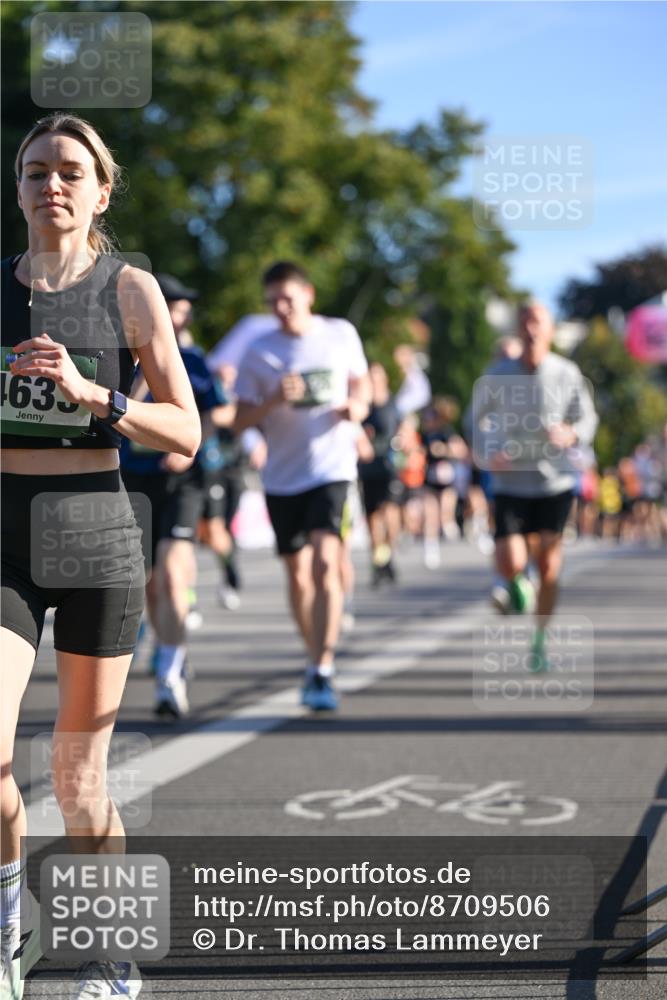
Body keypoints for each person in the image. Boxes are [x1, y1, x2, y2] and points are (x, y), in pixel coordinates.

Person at [0, 114, 201, 1000]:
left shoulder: (131, 289)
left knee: (76, 777)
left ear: (100, 191)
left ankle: (112, 953)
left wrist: (93, 393)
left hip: (94, 535)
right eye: (36, 170)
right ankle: (11, 910)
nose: (54, 184)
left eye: (71, 172)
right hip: (2, 532)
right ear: (17, 189)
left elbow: (185, 433)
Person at [234, 261, 370, 710]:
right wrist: (273, 400)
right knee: (297, 574)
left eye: (288, 299)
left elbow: (362, 386)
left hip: (333, 468)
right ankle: (314, 650)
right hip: (282, 476)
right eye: (273, 302)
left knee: (327, 563)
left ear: (309, 294)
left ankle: (322, 667)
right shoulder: (258, 351)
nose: (281, 308)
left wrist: (357, 407)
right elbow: (239, 420)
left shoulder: (340, 334)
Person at [468, 301, 598, 670]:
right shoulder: (497, 375)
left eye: (537, 321)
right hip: (510, 479)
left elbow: (586, 417)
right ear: (518, 328)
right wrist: (488, 451)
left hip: (554, 480)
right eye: (524, 321)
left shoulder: (567, 372)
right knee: (510, 558)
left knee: (550, 567)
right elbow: (474, 419)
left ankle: (540, 640)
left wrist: (571, 432)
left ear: (550, 330)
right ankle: (516, 584)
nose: (530, 328)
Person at [120, 274, 223, 719]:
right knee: (148, 584)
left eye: (182, 309)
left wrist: (189, 445)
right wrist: (145, 363)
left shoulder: (197, 361)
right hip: (135, 479)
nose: (178, 316)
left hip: (183, 479)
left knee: (174, 575)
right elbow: (120, 404)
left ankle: (169, 675)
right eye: (170, 307)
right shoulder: (123, 355)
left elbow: (217, 415)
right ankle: (165, 646)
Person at [358, 362, 403, 585]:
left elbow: (405, 427)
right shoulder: (362, 405)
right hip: (367, 469)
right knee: (373, 518)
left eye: (377, 378)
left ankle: (389, 553)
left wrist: (404, 440)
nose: (374, 382)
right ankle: (378, 561)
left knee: (390, 512)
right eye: (370, 378)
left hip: (390, 468)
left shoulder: (393, 404)